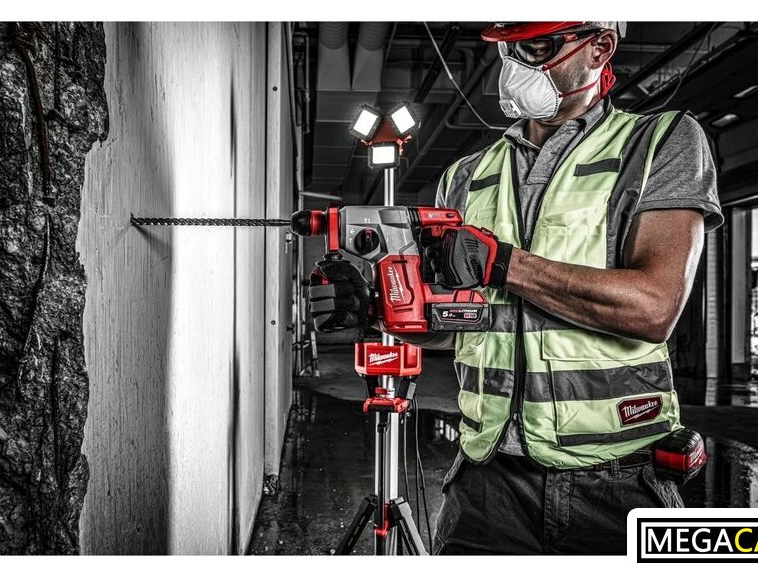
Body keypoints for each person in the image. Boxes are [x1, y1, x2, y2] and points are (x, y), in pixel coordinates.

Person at [309, 21, 723, 555]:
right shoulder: (466, 175)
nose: (514, 66)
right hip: (486, 482)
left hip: (618, 482)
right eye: (508, 50)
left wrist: (505, 263)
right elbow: (457, 325)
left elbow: (654, 308)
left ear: (599, 47)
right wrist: (378, 309)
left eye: (538, 46)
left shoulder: (659, 143)